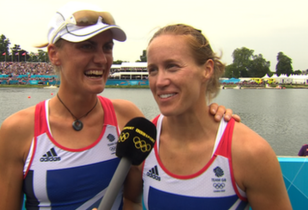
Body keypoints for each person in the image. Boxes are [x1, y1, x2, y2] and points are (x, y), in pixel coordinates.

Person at [0, 3, 237, 210]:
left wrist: (213, 116)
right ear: (54, 54)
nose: (101, 59)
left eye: (107, 47)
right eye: (87, 45)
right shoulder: (18, 130)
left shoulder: (127, 117)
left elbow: (132, 199)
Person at [124, 24, 292, 210]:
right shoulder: (143, 141)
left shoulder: (251, 152)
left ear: (207, 70)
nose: (160, 81)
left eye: (172, 67)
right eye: (153, 70)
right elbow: (131, 201)